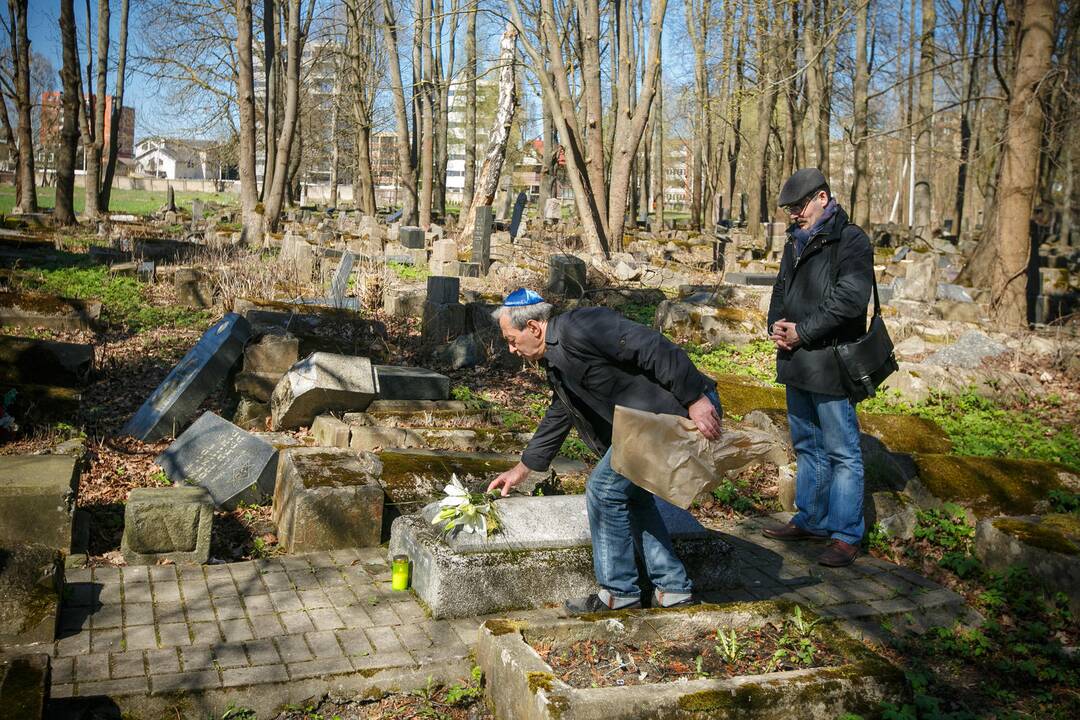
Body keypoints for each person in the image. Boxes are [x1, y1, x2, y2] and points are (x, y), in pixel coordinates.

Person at [487, 288, 724, 615]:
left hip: (679, 410)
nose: (512, 349)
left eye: (512, 339)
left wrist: (696, 398)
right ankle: (672, 589)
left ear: (534, 328)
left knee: (604, 489)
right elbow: (561, 412)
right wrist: (524, 468)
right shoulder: (555, 363)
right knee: (633, 496)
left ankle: (619, 593)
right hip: (649, 424)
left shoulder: (581, 326)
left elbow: (652, 346)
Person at [763, 168, 874, 568]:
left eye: (799, 206)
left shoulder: (850, 239)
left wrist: (803, 332)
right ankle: (811, 518)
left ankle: (845, 534)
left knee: (842, 451)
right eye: (790, 208)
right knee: (808, 446)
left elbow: (851, 299)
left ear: (823, 198)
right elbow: (781, 289)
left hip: (831, 361)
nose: (794, 214)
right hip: (796, 361)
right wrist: (774, 324)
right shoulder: (795, 240)